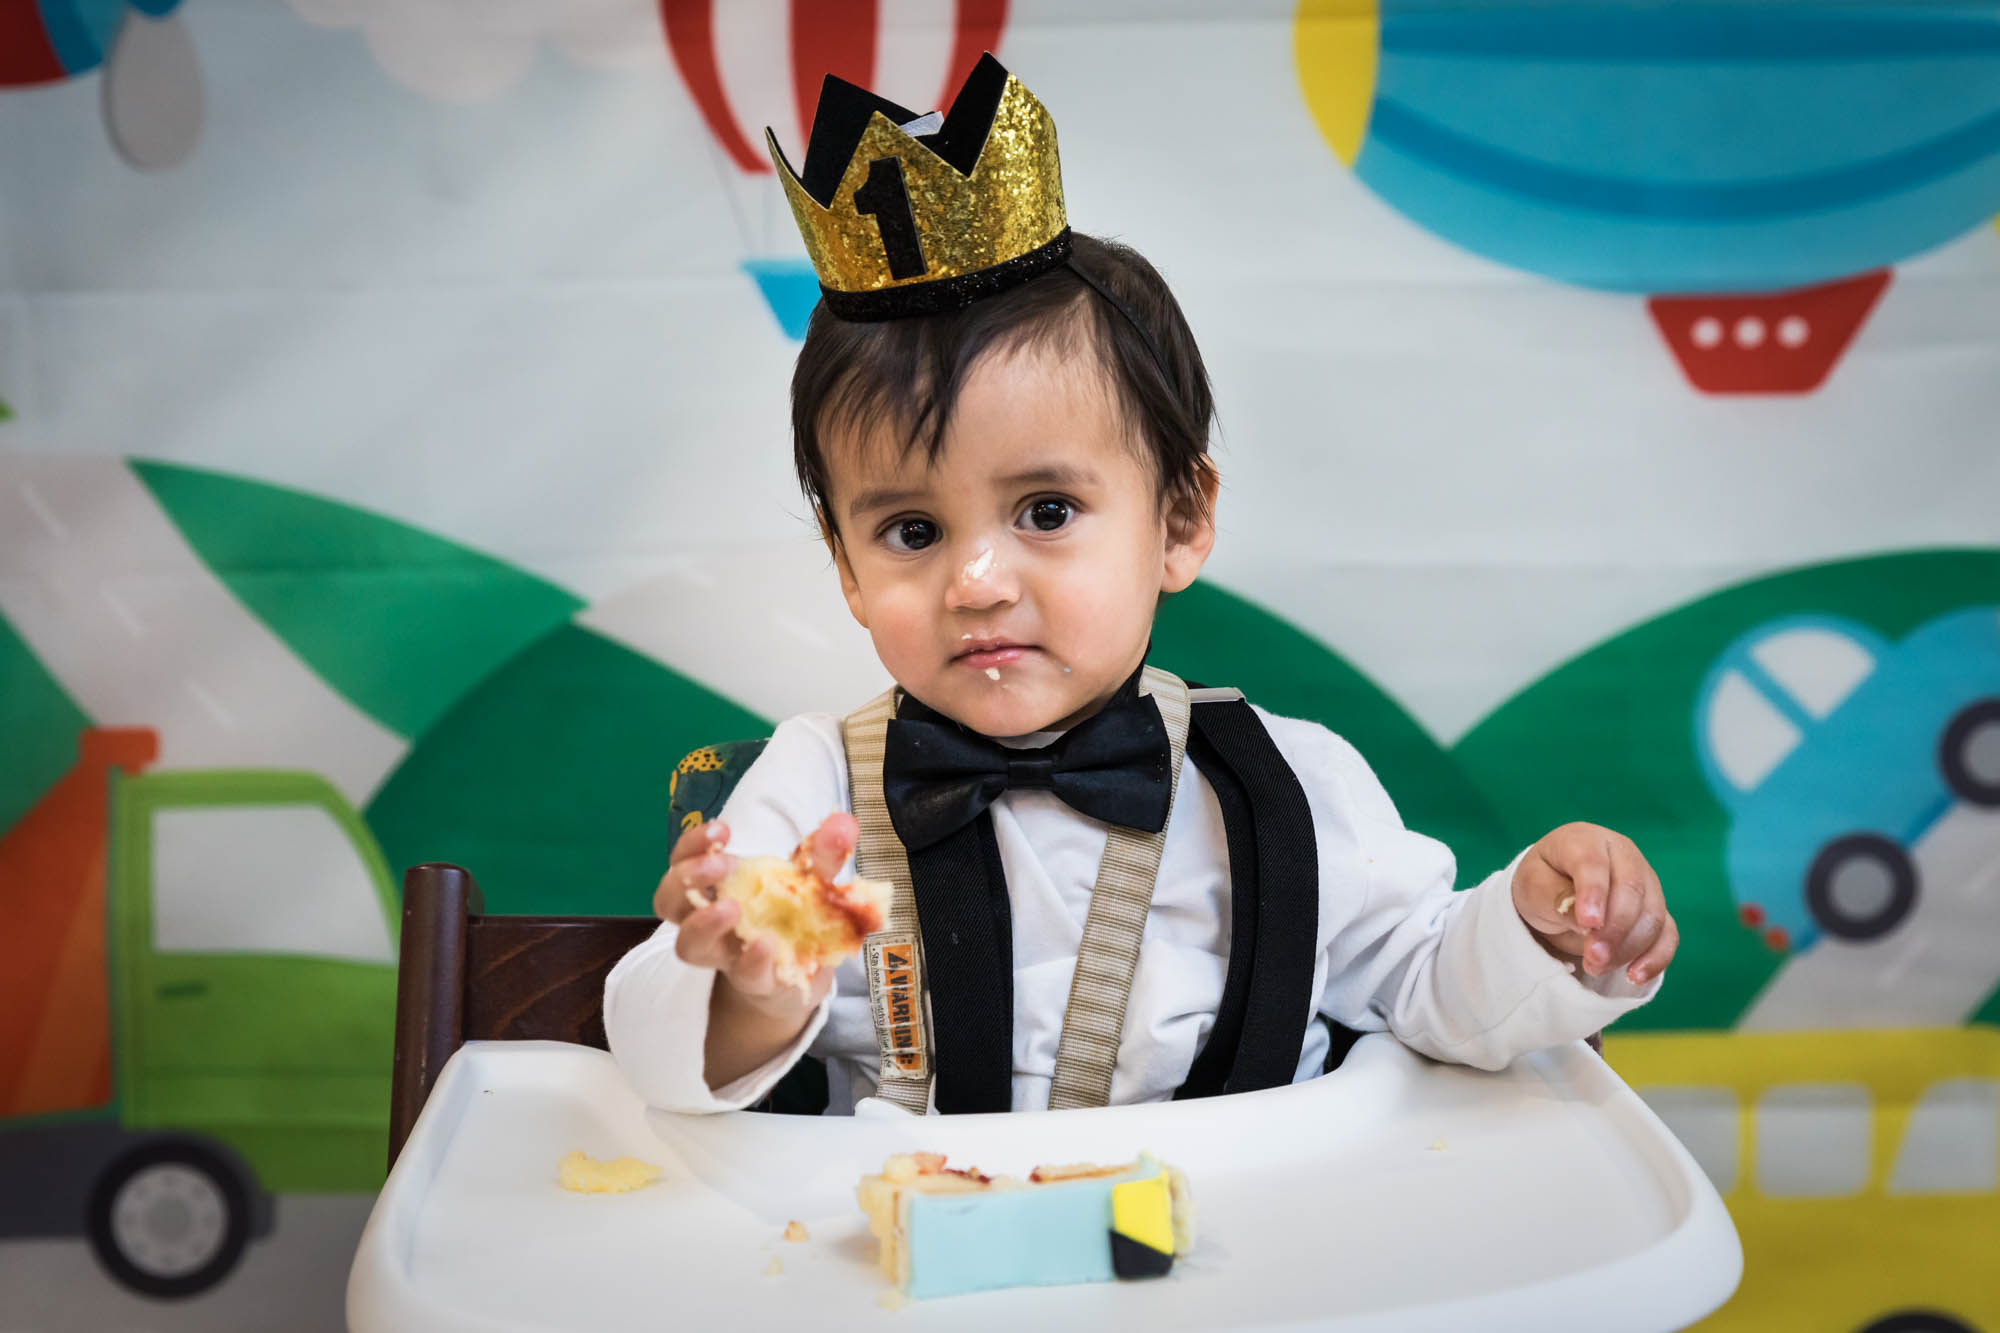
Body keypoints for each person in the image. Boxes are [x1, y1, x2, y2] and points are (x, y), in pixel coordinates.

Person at [604, 55, 1676, 1117]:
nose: (976, 582)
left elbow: (1426, 985)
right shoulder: (813, 794)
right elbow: (661, 1066)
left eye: (1046, 512)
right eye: (912, 530)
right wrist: (743, 986)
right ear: (844, 565)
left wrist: (1537, 930)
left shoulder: (1289, 783)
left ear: (1178, 520)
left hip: (1250, 1258)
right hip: (919, 1257)